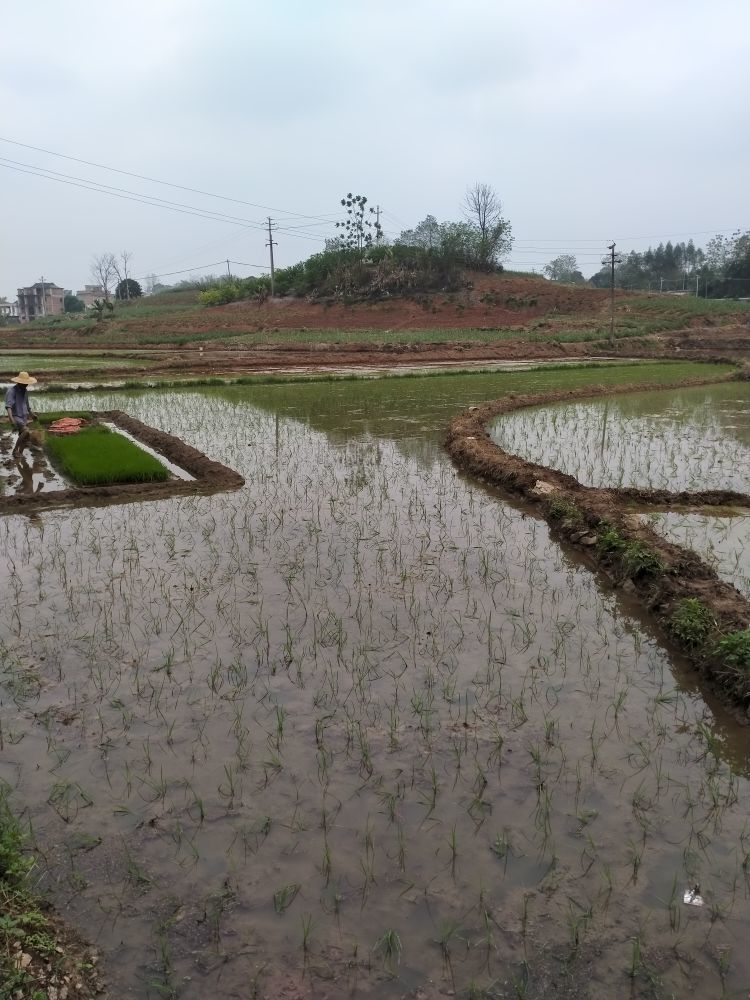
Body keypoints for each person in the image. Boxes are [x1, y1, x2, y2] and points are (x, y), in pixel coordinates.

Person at [5, 371, 38, 457]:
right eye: (24, 383)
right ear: (19, 382)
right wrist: (11, 419)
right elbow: (9, 407)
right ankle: (15, 450)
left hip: (23, 417)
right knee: (26, 431)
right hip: (16, 416)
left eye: (27, 383)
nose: (26, 385)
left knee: (24, 436)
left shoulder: (25, 391)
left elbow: (27, 405)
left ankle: (20, 453)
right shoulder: (12, 391)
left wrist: (32, 414)